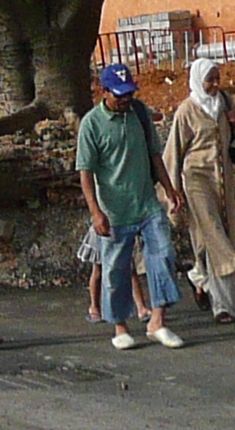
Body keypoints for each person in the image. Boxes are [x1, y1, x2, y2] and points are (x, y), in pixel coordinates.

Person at [78, 63, 185, 349]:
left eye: (129, 93)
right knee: (115, 270)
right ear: (104, 92)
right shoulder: (91, 124)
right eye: (119, 95)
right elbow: (85, 173)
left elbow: (154, 154)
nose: (126, 99)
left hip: (147, 204)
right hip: (114, 211)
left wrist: (170, 189)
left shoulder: (139, 113)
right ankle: (120, 326)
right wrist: (95, 212)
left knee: (162, 255)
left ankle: (158, 321)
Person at [161, 59, 235, 324]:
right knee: (215, 235)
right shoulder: (186, 111)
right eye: (209, 80)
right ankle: (223, 306)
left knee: (206, 239)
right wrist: (172, 192)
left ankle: (198, 276)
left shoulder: (225, 103)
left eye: (216, 79)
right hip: (196, 180)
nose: (213, 85)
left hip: (223, 179)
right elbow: (173, 153)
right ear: (198, 80)